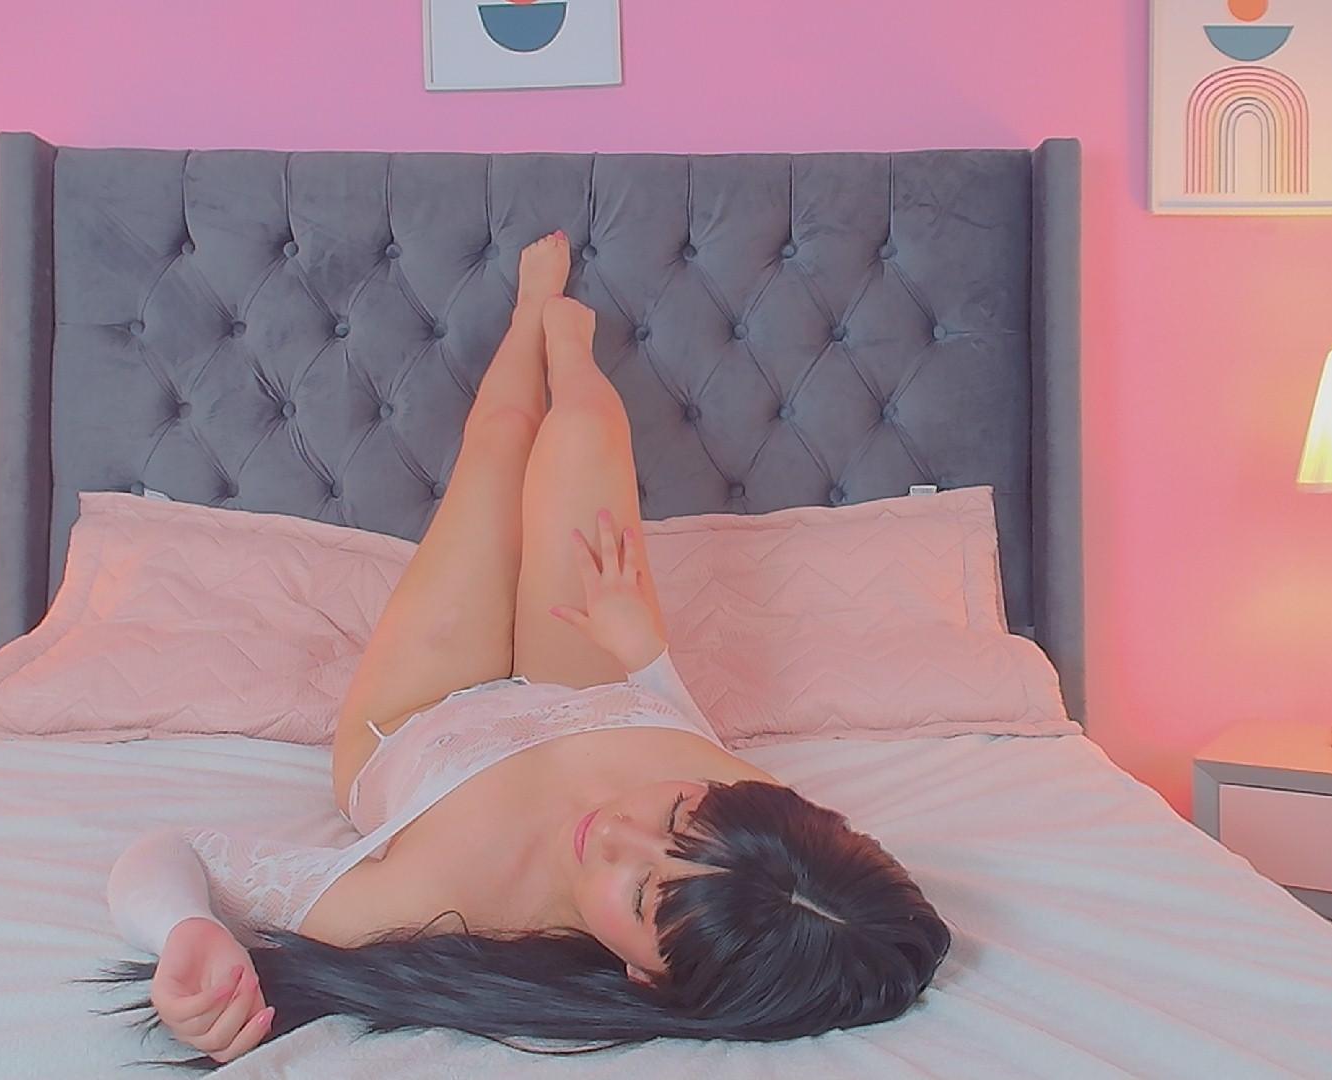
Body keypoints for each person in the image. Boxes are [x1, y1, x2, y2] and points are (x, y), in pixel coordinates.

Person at [87, 232, 950, 1069]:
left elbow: (173, 854)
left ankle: (527, 315)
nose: (616, 830)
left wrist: (185, 932)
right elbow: (706, 754)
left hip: (424, 715)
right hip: (596, 681)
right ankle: (565, 344)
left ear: (647, 978)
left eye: (639, 893)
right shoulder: (769, 842)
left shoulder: (437, 905)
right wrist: (645, 653)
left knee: (502, 439)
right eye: (678, 816)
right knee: (579, 436)